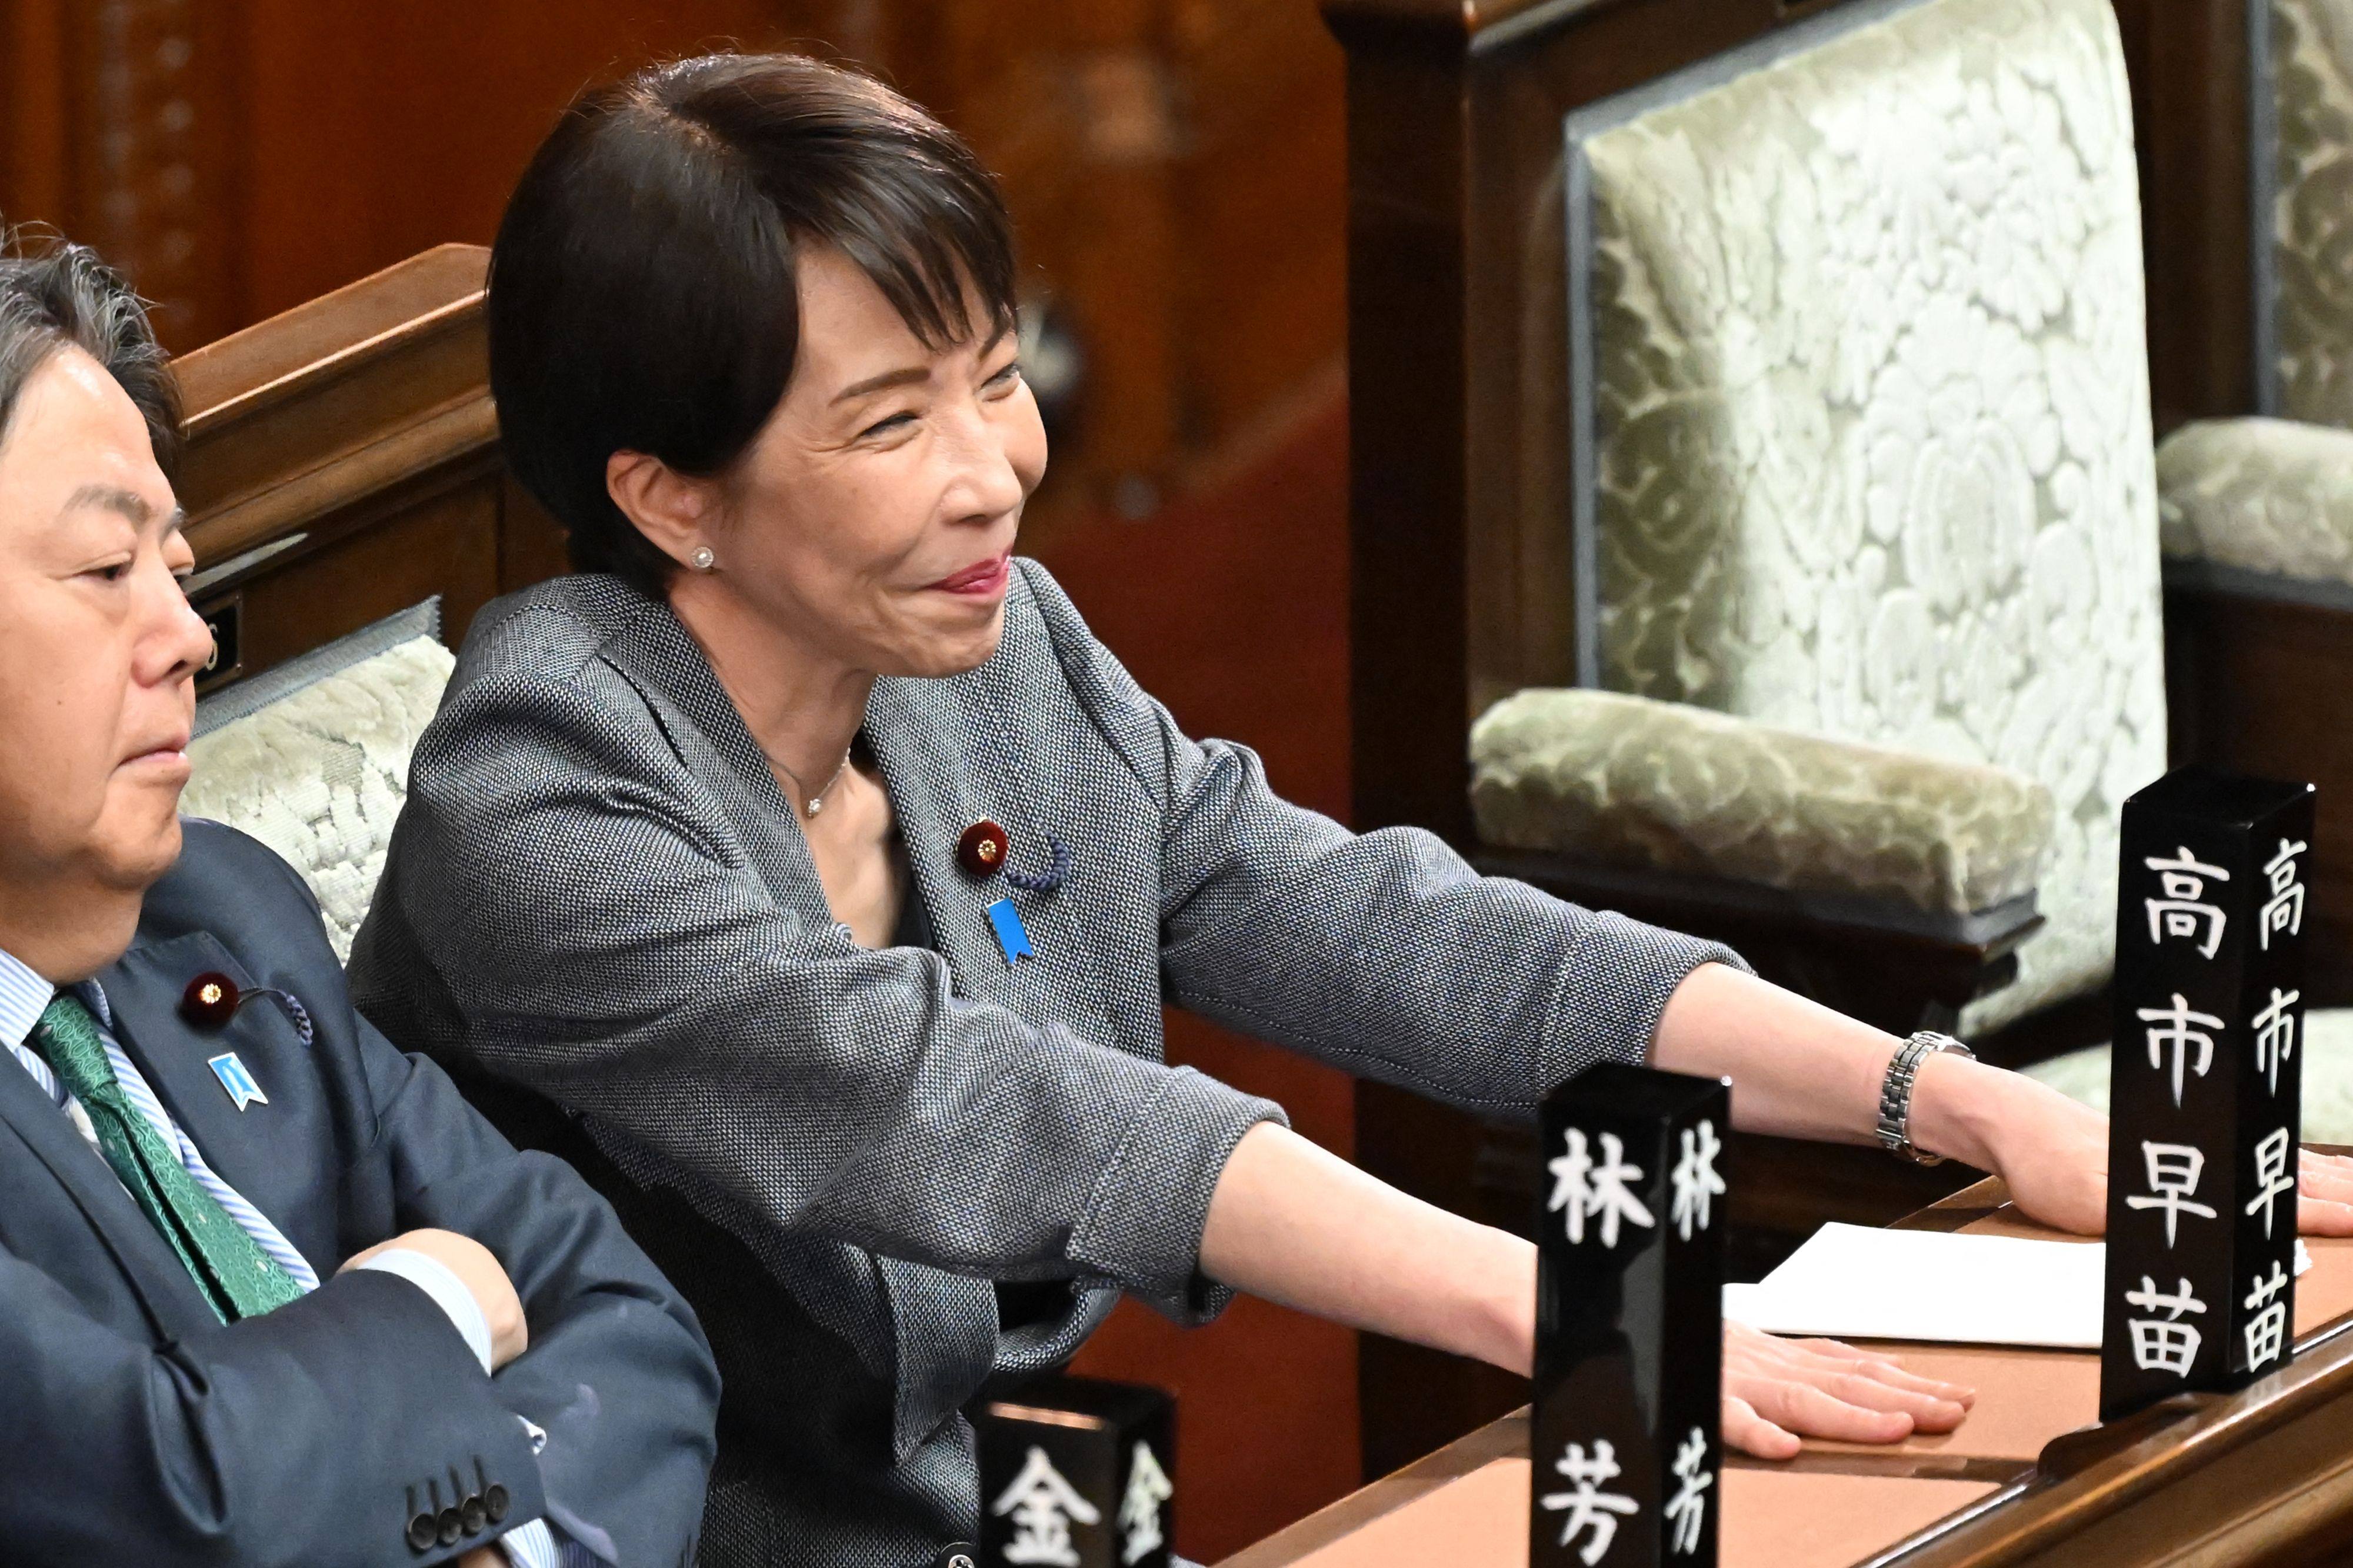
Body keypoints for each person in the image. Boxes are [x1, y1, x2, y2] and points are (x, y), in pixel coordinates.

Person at [347, 54, 2353, 1568]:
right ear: (663, 493)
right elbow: (964, 1104)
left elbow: (1370, 921)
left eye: (993, 376)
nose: (994, 472)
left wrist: (1953, 1100)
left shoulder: (990, 653)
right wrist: (1559, 1304)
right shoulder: (540, 789)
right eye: (892, 421)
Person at [0, 231, 720, 1566]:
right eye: (108, 575)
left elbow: (616, 1307)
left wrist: (526, 1550)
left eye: (177, 565)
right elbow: (174, 1496)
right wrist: (429, 1296)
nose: (189, 636)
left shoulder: (219, 913)